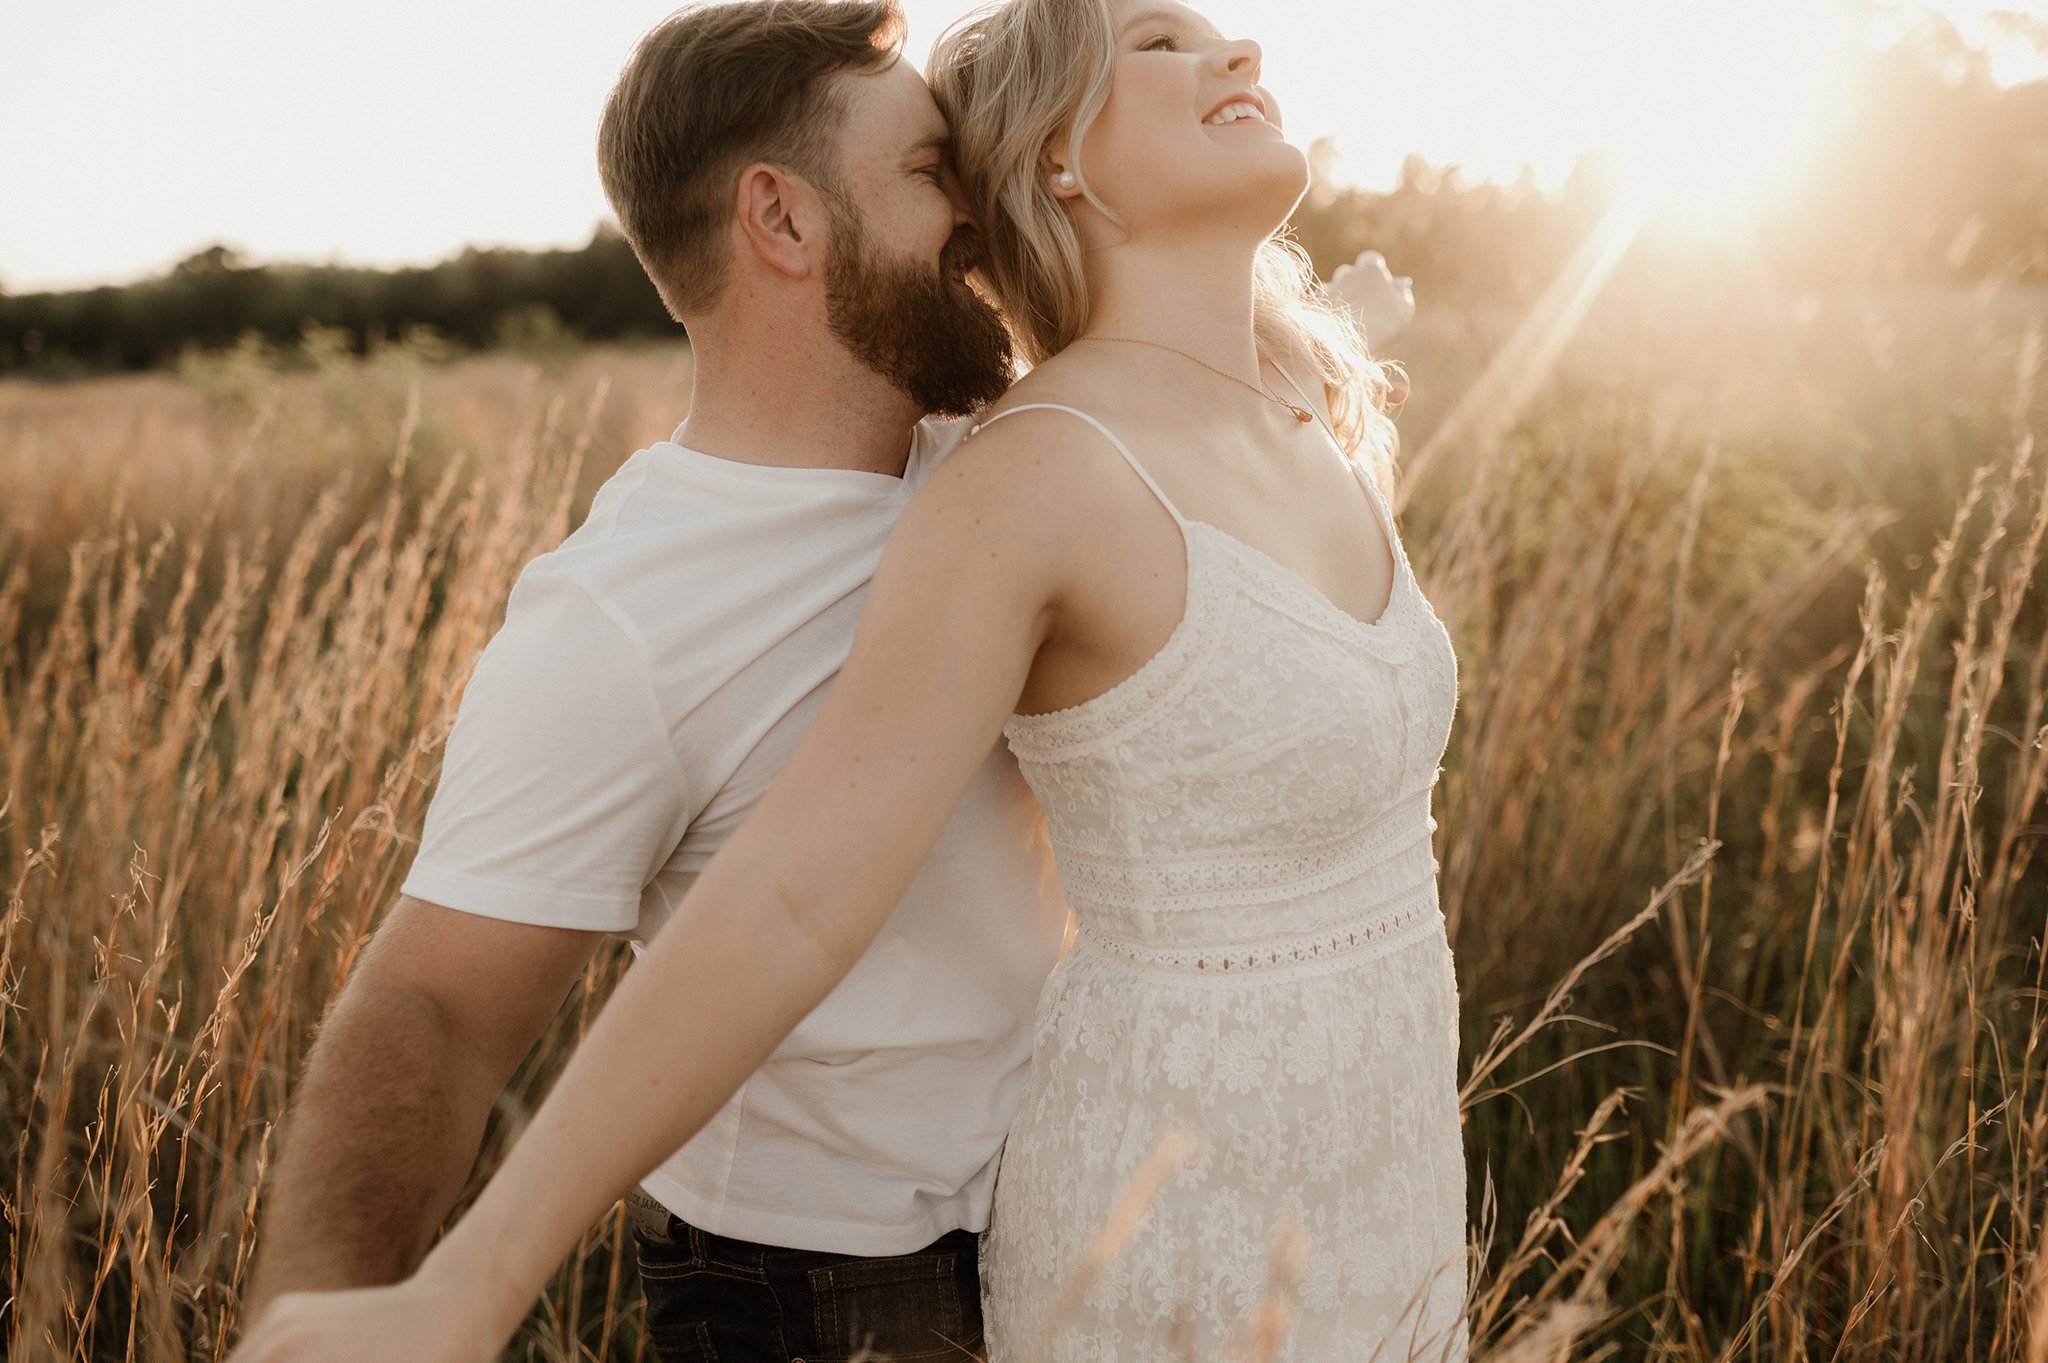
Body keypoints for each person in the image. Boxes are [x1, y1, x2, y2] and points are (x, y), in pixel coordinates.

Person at [230, 0, 1452, 1357]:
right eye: (938, 175)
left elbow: (1187, 483)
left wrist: (1310, 333)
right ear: (785, 222)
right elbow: (448, 1007)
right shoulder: (626, 618)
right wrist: (348, 1312)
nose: (982, 204)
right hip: (821, 1288)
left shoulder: (966, 448)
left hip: (1101, 1183)